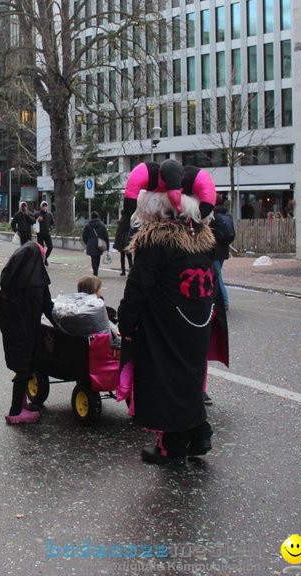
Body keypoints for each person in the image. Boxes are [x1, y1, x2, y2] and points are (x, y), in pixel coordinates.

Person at [117, 159, 220, 465]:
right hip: (197, 321)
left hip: (164, 324)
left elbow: (139, 287)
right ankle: (200, 433)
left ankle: (170, 447)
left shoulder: (155, 241)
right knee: (189, 377)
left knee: (164, 382)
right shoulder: (202, 240)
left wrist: (127, 321)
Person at [0, 240, 54, 424]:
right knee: (25, 368)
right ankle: (16, 411)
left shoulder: (9, 283)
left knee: (20, 366)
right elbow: (48, 308)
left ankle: (22, 404)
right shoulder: (37, 283)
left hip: (11, 333)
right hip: (28, 333)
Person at [210, 199, 235, 309]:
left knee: (217, 276)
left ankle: (224, 301)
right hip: (224, 250)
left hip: (215, 250)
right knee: (218, 274)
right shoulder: (227, 215)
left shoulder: (213, 216)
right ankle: (219, 300)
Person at [81, 211, 110, 277]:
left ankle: (95, 270)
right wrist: (107, 247)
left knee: (93, 258)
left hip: (91, 243)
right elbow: (106, 236)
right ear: (98, 217)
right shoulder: (102, 225)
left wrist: (87, 242)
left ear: (91, 217)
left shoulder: (88, 226)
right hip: (99, 244)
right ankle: (96, 271)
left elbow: (84, 236)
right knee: (98, 257)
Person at [113, 209, 134, 277]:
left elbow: (118, 233)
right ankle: (131, 270)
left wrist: (116, 243)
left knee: (122, 257)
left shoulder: (121, 222)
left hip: (122, 241)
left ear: (122, 214)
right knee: (129, 256)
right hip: (127, 241)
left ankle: (123, 271)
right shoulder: (129, 221)